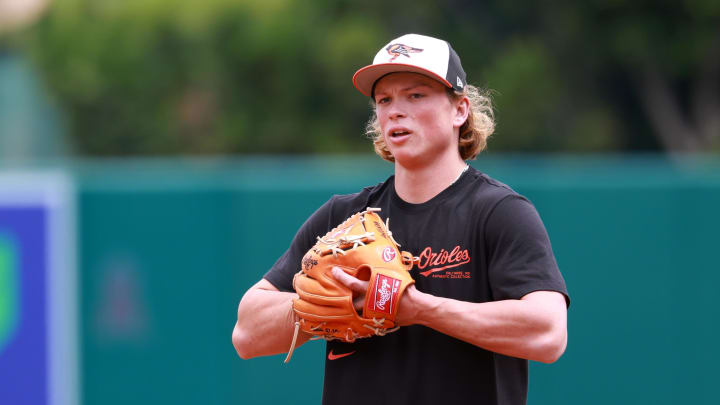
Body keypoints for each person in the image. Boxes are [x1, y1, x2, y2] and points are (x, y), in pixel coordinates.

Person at [232, 33, 569, 405]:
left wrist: (415, 308)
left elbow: (548, 333)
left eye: (416, 95)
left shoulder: (498, 212)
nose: (395, 110)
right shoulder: (344, 216)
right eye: (384, 100)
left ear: (460, 110)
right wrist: (329, 303)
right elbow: (247, 333)